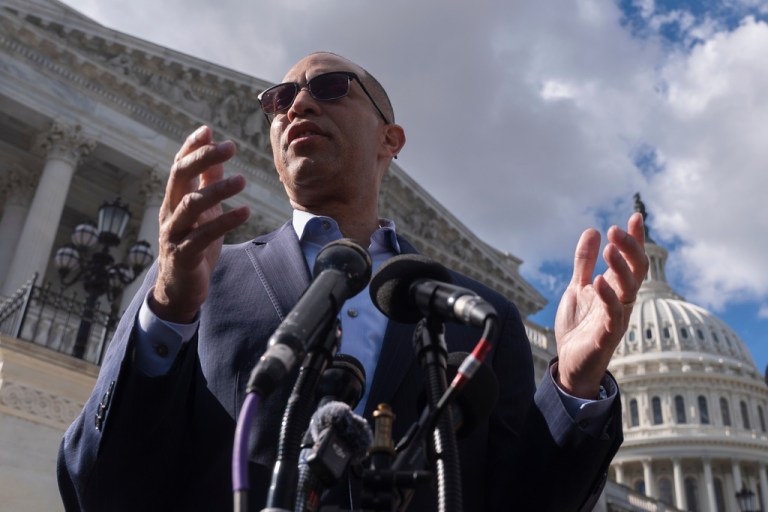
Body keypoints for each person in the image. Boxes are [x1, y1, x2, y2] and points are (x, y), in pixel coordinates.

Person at [57, 52, 648, 511]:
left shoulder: (476, 313)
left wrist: (572, 384)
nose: (298, 106)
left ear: (390, 140)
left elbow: (522, 503)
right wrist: (168, 309)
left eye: (330, 88)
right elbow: (101, 487)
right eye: (280, 98)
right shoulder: (201, 277)